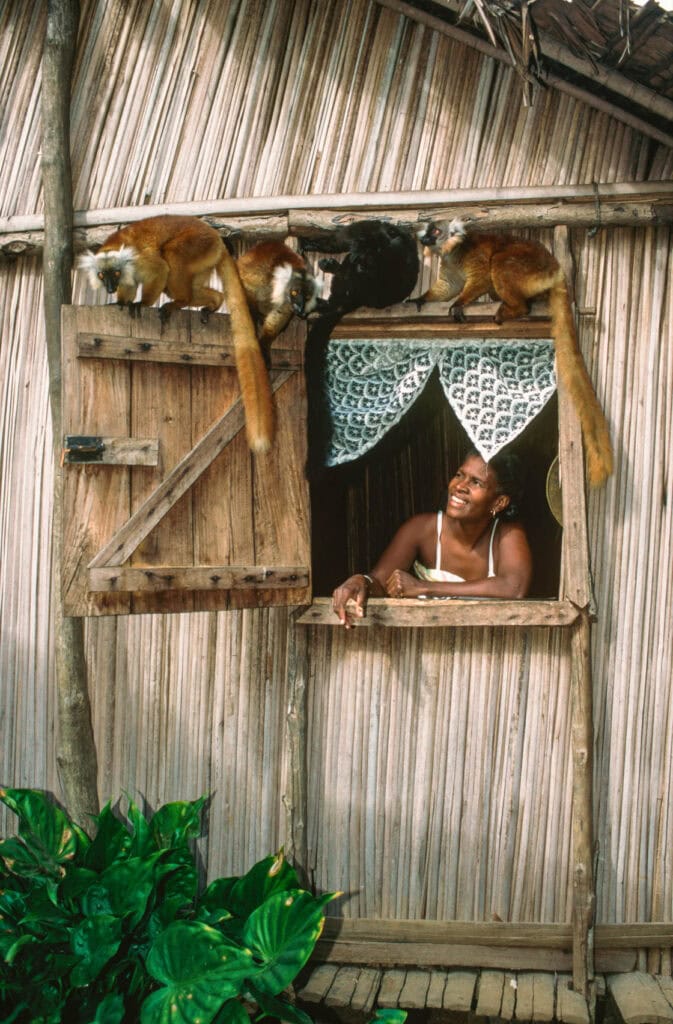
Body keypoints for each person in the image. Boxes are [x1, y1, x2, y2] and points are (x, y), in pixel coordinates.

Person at [332, 449, 532, 627]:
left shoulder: (507, 533)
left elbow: (514, 588)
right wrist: (361, 581)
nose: (459, 486)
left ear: (499, 502)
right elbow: (379, 582)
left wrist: (425, 588)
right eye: (459, 475)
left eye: (476, 482)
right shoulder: (421, 529)